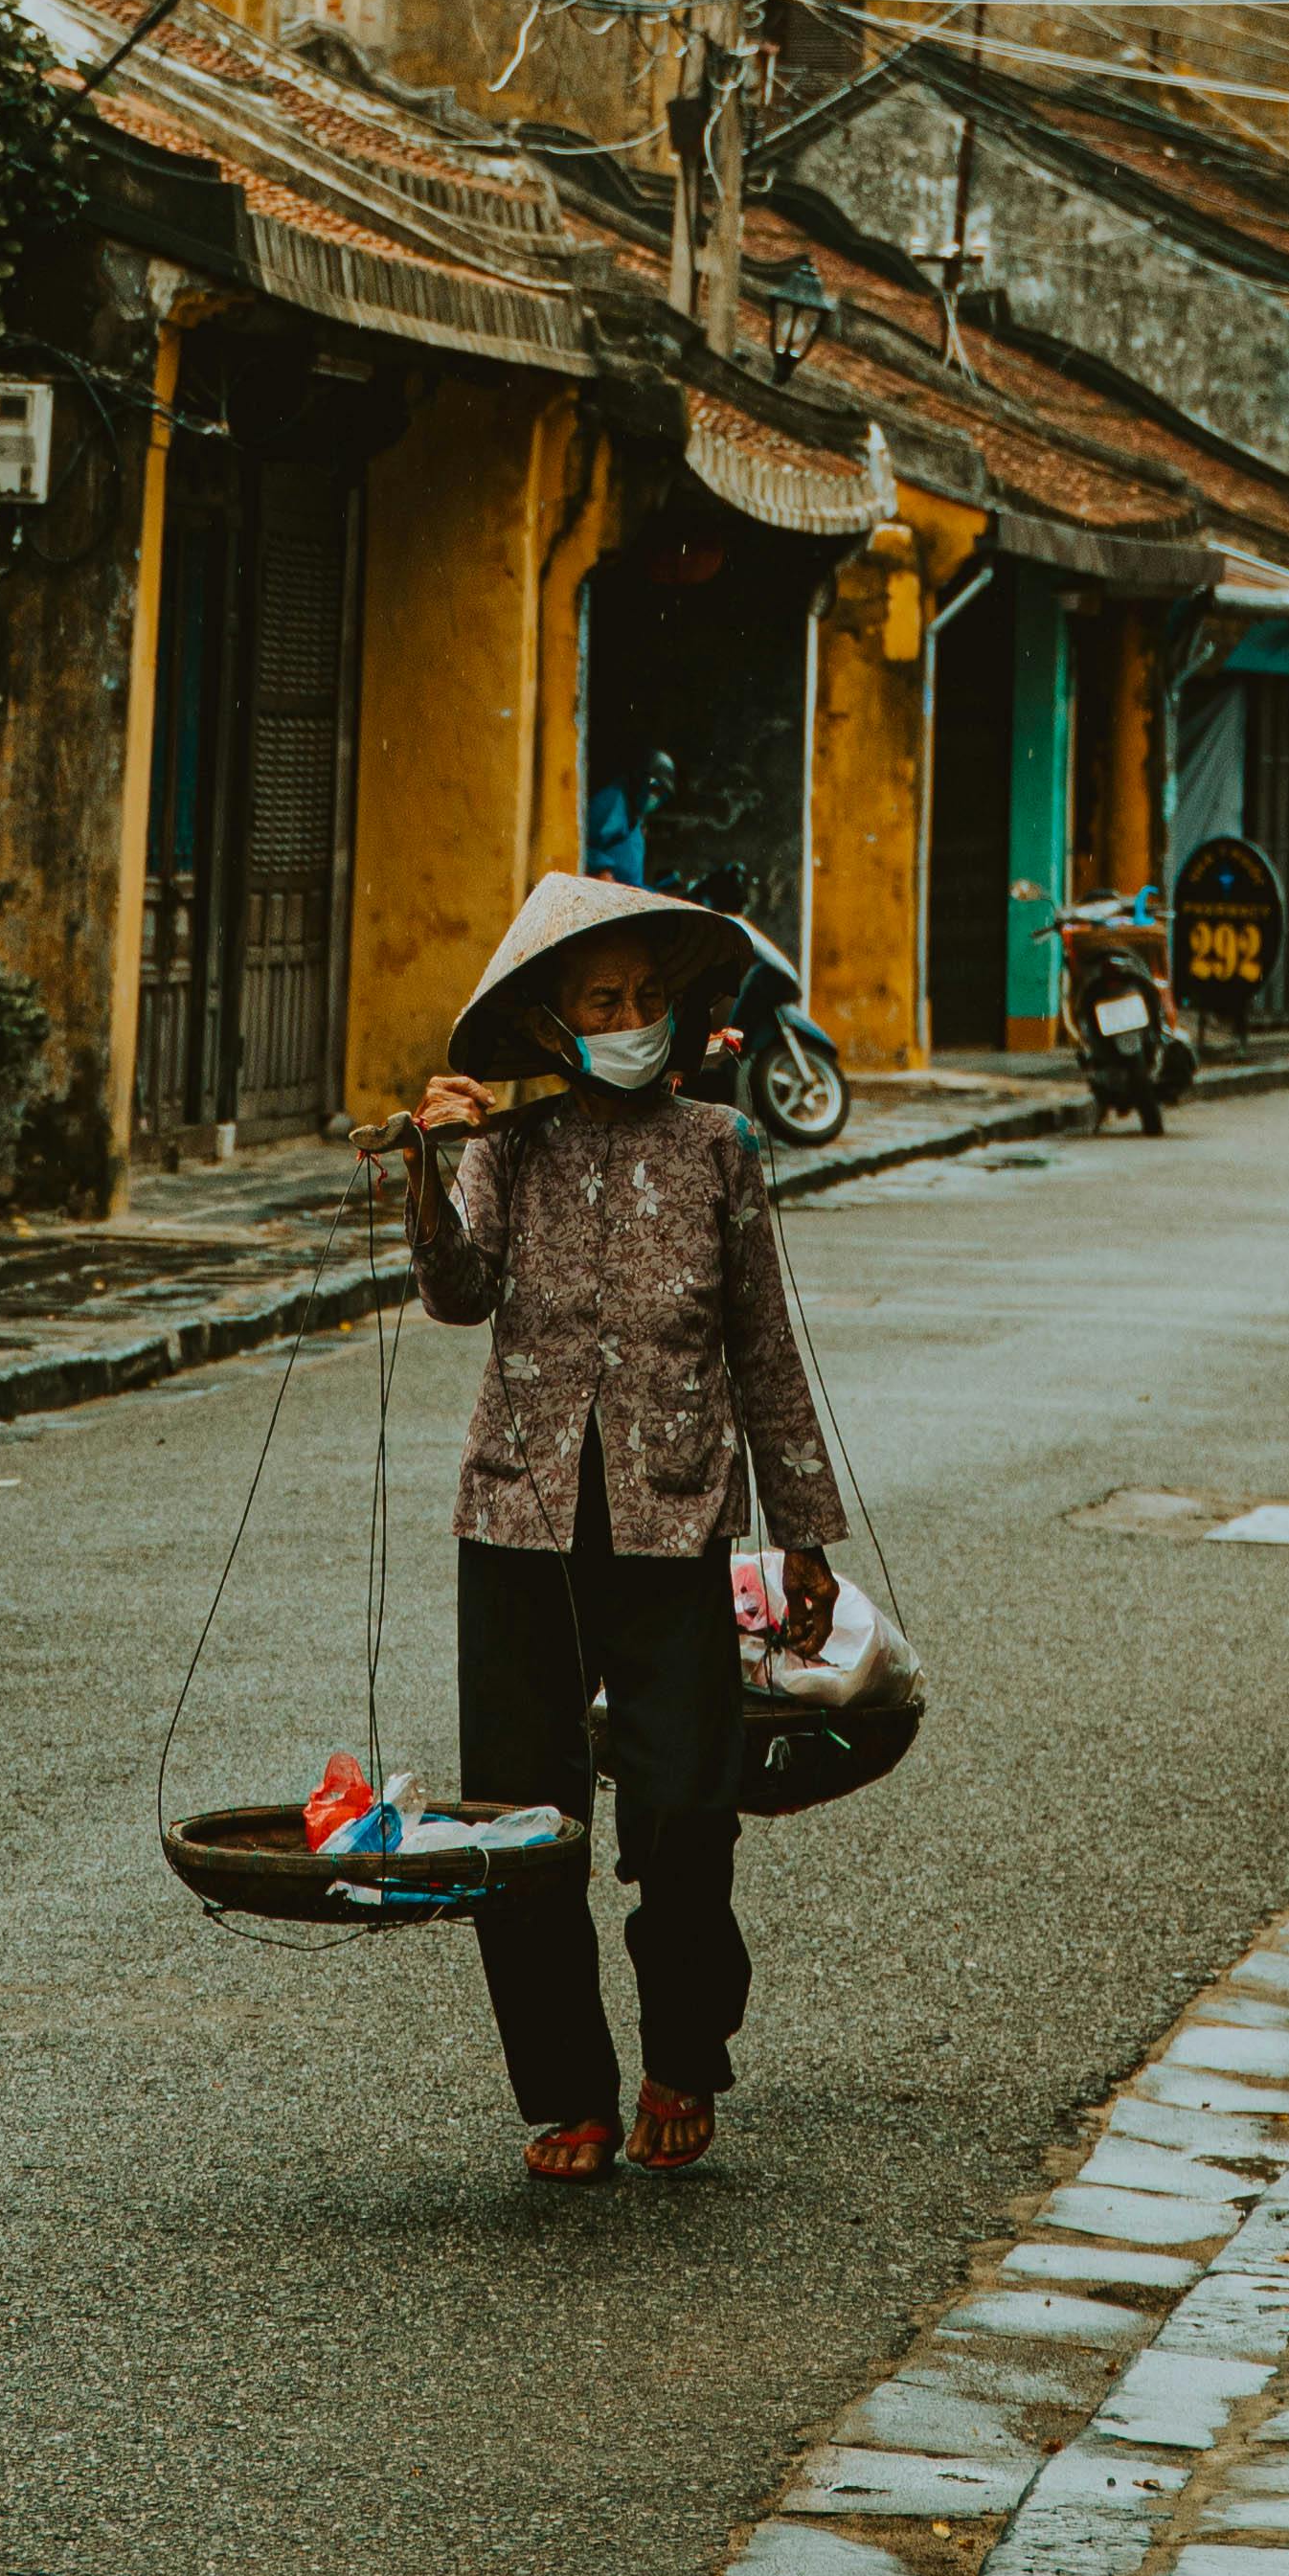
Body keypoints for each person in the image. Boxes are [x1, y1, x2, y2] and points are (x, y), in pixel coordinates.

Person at [397, 869, 844, 2189]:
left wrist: (804, 1532)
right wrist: (425, 1169)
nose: (632, 1016)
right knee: (523, 1825)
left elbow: (766, 1354)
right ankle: (567, 2092)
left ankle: (683, 2056)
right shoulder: (512, 1149)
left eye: (651, 995)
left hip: (675, 1516)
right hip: (519, 1517)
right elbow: (457, 1296)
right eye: (604, 997)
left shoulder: (721, 1150)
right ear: (552, 1021)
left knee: (688, 1814)